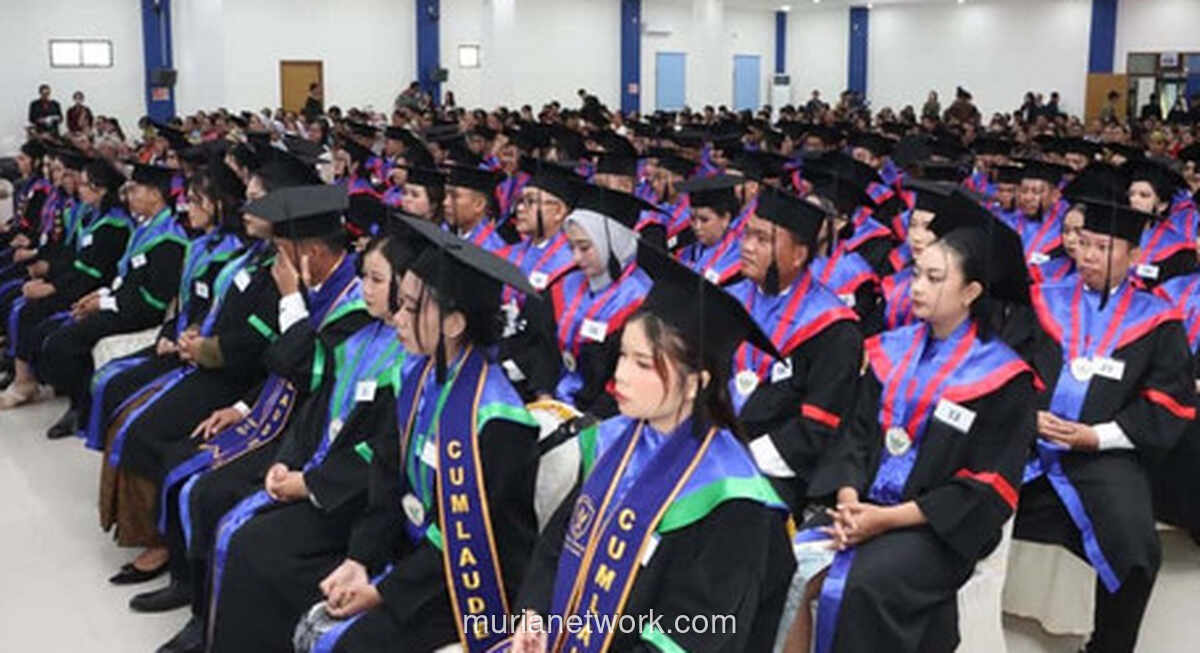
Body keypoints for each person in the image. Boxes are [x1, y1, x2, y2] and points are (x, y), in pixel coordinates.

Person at [502, 249, 795, 653]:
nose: (619, 375)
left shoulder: (734, 500)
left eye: (642, 363)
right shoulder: (613, 443)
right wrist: (533, 615)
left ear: (696, 382)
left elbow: (690, 636)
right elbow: (559, 541)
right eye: (622, 355)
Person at [781, 216, 1038, 653]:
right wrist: (847, 502)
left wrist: (884, 520)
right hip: (862, 508)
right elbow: (855, 436)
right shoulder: (890, 349)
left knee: (862, 588)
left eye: (934, 278)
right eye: (917, 273)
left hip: (936, 529)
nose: (916, 286)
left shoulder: (1003, 377)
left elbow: (985, 485)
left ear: (971, 293)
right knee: (786, 565)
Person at [290, 219, 542, 653]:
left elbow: (465, 535)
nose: (398, 318)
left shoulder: (497, 419)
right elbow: (386, 481)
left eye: (410, 308)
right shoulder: (418, 376)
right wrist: (361, 559)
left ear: (454, 323)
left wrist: (385, 591)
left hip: (470, 580)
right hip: (416, 558)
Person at [1015, 199, 1194, 653]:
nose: (1089, 255)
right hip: (1027, 445)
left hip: (1104, 455)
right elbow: (1006, 366)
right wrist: (1025, 415)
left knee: (1136, 552)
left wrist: (1097, 436)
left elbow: (1167, 400)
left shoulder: (1158, 320)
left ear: (1134, 256)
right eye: (1085, 244)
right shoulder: (1042, 298)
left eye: (1104, 247)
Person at [727, 187, 863, 514]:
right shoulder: (728, 300)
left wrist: (740, 456)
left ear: (798, 254)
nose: (746, 247)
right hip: (711, 441)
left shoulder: (834, 329)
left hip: (773, 469)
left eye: (762, 240)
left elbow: (815, 429)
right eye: (746, 235)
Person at [31, 165, 187, 424]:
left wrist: (104, 303)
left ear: (155, 195)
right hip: (122, 301)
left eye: (135, 190)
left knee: (65, 341)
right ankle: (79, 399)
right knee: (54, 330)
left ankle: (81, 408)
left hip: (141, 313)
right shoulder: (145, 226)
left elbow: (153, 299)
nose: (129, 196)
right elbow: (124, 275)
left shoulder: (169, 240)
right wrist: (99, 295)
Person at [550, 188, 652, 417]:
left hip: (607, 416)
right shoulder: (566, 285)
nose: (576, 258)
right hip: (558, 404)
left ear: (613, 243)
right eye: (571, 247)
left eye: (585, 247)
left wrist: (587, 422)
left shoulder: (640, 301)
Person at [674, 175, 744, 285]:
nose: (697, 226)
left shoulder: (739, 259)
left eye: (704, 220)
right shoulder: (688, 250)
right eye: (692, 219)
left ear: (725, 218)